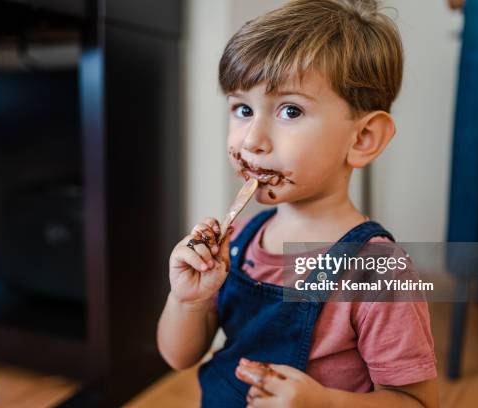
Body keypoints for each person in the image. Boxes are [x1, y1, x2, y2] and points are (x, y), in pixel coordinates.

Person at [157, 1, 438, 406]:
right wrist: (188, 299)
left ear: (363, 139)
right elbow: (177, 355)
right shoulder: (241, 241)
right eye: (242, 108)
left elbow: (418, 402)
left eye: (290, 110)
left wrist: (325, 403)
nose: (252, 139)